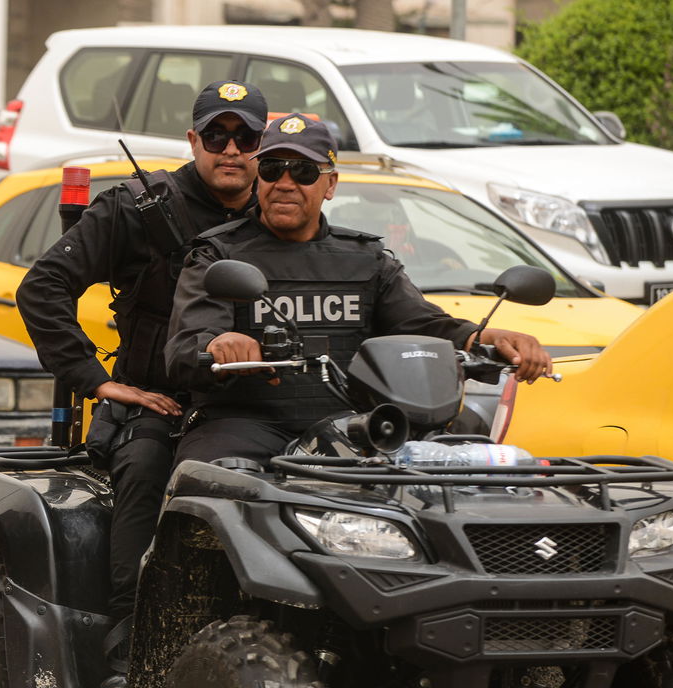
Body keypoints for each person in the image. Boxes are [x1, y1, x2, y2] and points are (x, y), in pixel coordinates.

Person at [17, 80, 271, 688]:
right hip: (159, 403)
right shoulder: (137, 208)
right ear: (193, 140)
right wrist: (96, 381)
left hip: (260, 409)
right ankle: (130, 650)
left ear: (263, 147)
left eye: (245, 138)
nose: (231, 149)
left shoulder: (282, 212)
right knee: (148, 471)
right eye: (217, 135)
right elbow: (44, 286)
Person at [165, 113, 553, 465]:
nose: (284, 183)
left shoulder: (367, 259)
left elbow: (422, 326)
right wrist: (217, 345)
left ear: (330, 184)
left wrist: (483, 337)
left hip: (351, 426)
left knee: (448, 477)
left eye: (302, 172)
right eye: (271, 169)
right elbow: (184, 350)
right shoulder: (218, 255)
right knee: (207, 479)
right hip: (246, 424)